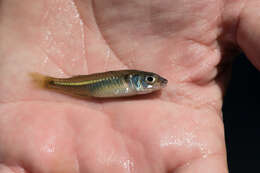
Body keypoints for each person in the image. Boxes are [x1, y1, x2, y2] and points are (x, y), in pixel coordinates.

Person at [0, 0, 259, 172]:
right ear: (132, 81)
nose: (155, 84)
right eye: (149, 80)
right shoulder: (125, 82)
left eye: (152, 81)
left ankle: (49, 84)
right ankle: (48, 84)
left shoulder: (132, 84)